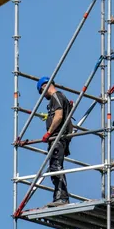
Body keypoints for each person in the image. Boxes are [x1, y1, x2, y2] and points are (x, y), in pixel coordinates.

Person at [37, 76, 72, 207]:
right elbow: (66, 120)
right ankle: (59, 197)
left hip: (57, 137)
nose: (43, 95)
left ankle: (61, 198)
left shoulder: (56, 96)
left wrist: (48, 132)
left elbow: (59, 116)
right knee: (55, 166)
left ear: (44, 86)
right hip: (61, 137)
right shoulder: (61, 97)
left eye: (42, 92)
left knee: (55, 167)